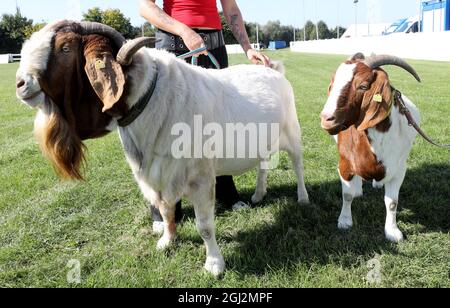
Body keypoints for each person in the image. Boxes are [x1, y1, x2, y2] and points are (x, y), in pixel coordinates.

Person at [139, 0, 271, 233]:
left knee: (217, 121)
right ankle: (166, 206)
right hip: (174, 46)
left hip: (214, 48)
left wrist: (248, 47)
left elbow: (231, 9)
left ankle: (225, 191)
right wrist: (183, 30)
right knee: (170, 129)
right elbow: (145, 7)